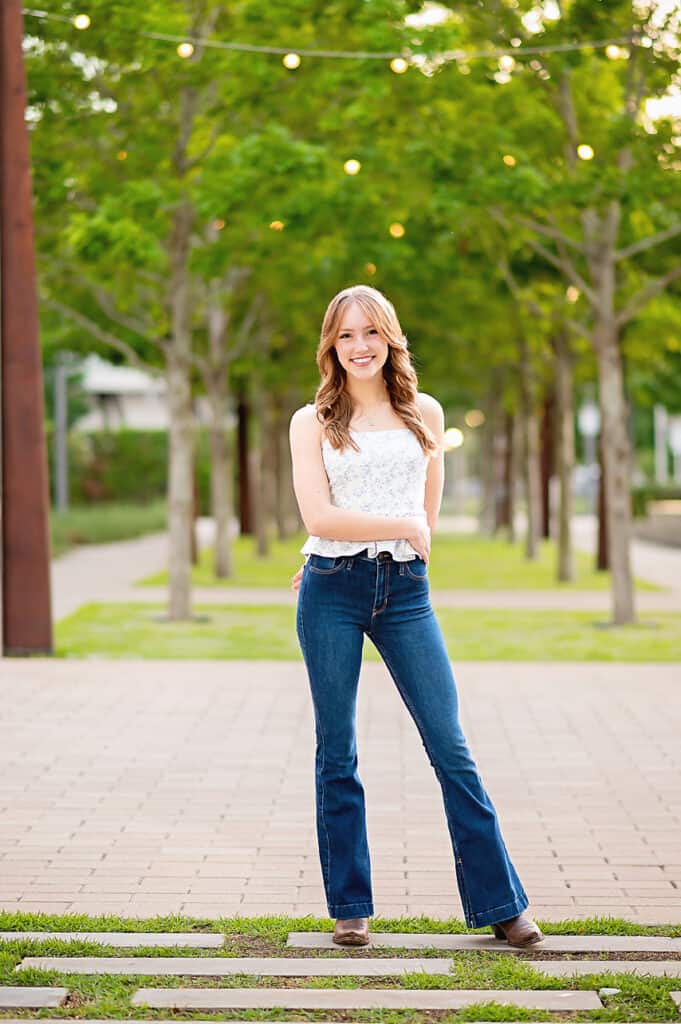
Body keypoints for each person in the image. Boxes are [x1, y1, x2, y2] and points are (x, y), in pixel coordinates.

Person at [288, 284, 543, 949]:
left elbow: (424, 519)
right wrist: (368, 533)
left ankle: (502, 904)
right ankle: (349, 907)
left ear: (390, 338)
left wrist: (398, 535)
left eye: (370, 332)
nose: (360, 346)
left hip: (404, 591)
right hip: (331, 588)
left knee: (449, 745)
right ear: (330, 346)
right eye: (345, 335)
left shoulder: (423, 413)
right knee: (336, 748)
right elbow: (318, 516)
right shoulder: (309, 420)